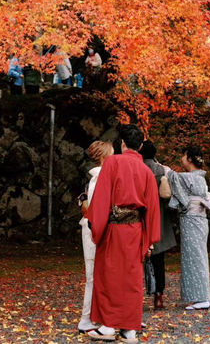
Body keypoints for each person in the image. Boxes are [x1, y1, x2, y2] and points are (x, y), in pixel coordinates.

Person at [86, 124, 160, 342]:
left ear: (123, 143)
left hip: (113, 229)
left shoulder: (112, 163)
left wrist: (96, 229)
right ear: (140, 145)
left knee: (108, 275)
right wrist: (149, 240)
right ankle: (129, 330)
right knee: (132, 279)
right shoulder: (146, 171)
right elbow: (152, 209)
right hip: (136, 230)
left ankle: (108, 326)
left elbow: (101, 201)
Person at [165, 145, 210, 311]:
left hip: (193, 220)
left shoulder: (190, 178)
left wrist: (165, 170)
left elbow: (173, 178)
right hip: (197, 220)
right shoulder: (198, 178)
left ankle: (202, 298)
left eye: (184, 156)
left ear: (190, 158)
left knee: (195, 257)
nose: (182, 159)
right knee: (196, 256)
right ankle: (200, 296)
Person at [77, 140, 114, 334]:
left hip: (92, 227)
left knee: (96, 275)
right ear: (103, 157)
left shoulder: (95, 178)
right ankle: (86, 318)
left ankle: (94, 316)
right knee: (93, 275)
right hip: (94, 230)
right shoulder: (99, 178)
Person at [140, 139, 176, 309]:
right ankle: (158, 296)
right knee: (158, 260)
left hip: (139, 218)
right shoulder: (161, 170)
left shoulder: (136, 169)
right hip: (159, 219)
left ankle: (134, 297)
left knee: (134, 260)